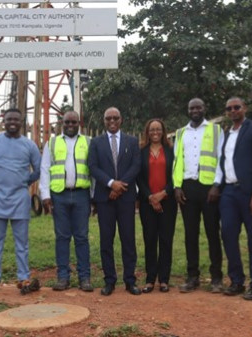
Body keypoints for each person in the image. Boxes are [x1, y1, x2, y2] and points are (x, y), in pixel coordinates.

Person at [209, 97, 252, 301]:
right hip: (229, 192)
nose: (233, 111)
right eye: (229, 108)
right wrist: (217, 186)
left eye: (237, 107)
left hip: (250, 192)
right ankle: (236, 280)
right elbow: (223, 163)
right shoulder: (226, 134)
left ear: (244, 108)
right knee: (228, 235)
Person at [0, 108, 42, 295]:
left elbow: (38, 169)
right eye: (8, 119)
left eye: (16, 119)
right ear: (3, 121)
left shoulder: (29, 145)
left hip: (20, 198)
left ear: (22, 122)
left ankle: (23, 277)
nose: (12, 122)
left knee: (22, 242)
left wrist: (25, 182)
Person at [87, 107, 141, 296]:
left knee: (128, 240)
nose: (112, 121)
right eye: (108, 118)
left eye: (115, 118)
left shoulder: (132, 142)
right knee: (106, 241)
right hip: (104, 199)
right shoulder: (96, 142)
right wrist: (111, 183)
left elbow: (136, 166)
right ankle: (109, 281)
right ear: (104, 121)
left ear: (121, 120)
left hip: (126, 198)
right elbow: (93, 166)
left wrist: (119, 187)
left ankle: (130, 281)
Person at [172, 97, 224, 293]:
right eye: (191, 107)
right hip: (188, 188)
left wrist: (217, 185)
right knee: (190, 234)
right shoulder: (180, 133)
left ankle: (217, 278)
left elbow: (220, 159)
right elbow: (178, 162)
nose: (195, 110)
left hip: (209, 189)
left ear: (204, 109)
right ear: (188, 110)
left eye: (198, 107)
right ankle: (192, 276)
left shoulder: (215, 130)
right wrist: (177, 187)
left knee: (212, 233)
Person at [39, 111, 93, 292]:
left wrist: (93, 197)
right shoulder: (52, 143)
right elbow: (45, 169)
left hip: (81, 195)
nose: (70, 125)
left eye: (74, 122)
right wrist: (45, 195)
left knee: (82, 237)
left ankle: (84, 277)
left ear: (79, 123)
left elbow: (93, 171)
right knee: (62, 237)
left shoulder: (88, 142)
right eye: (67, 122)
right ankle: (63, 277)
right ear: (62, 123)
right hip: (59, 195)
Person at [136, 119, 177, 293]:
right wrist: (151, 197)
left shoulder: (171, 151)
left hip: (168, 201)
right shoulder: (141, 151)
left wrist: (163, 194)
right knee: (150, 240)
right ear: (147, 132)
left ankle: (164, 279)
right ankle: (151, 279)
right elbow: (138, 177)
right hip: (147, 202)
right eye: (152, 129)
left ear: (163, 131)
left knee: (166, 240)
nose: (155, 132)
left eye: (158, 129)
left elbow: (176, 174)